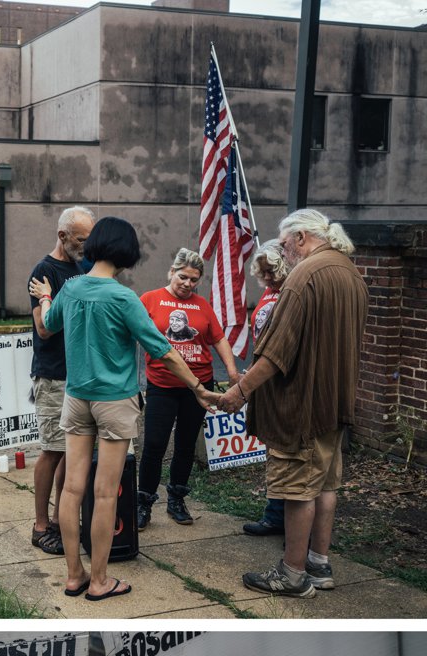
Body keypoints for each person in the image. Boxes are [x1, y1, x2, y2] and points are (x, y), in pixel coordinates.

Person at [29, 218, 219, 602]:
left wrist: (47, 296)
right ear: (127, 253)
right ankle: (99, 581)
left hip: (76, 397)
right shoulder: (123, 298)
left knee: (71, 489)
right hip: (114, 401)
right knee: (104, 495)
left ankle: (73, 576)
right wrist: (198, 388)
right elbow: (162, 350)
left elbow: (47, 324)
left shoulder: (71, 288)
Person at [216, 209, 369, 596]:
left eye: (285, 244)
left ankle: (293, 574)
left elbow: (275, 353)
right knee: (325, 486)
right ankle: (319, 564)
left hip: (301, 407)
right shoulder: (349, 272)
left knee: (298, 490)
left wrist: (239, 392)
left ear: (301, 237)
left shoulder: (305, 276)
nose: (285, 253)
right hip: (335, 403)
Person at [137, 248, 242, 529]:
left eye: (194, 279)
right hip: (162, 384)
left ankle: (176, 499)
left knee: (185, 444)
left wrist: (232, 372)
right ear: (171, 272)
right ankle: (143, 502)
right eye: (182, 277)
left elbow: (218, 339)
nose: (187, 283)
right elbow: (132, 335)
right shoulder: (149, 300)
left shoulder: (202, 305)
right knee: (154, 445)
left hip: (200, 388)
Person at [28, 206, 95, 556]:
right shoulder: (44, 271)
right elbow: (44, 327)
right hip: (53, 375)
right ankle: (40, 527)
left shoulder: (82, 267)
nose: (87, 246)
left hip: (79, 375)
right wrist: (48, 298)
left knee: (71, 453)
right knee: (53, 450)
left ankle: (58, 520)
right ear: (63, 236)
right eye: (81, 240)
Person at [242, 240, 291, 537]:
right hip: (263, 377)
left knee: (284, 451)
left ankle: (287, 518)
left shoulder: (292, 294)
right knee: (271, 449)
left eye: (272, 270)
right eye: (263, 272)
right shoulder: (269, 292)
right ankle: (275, 514)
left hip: (281, 379)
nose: (268, 277)